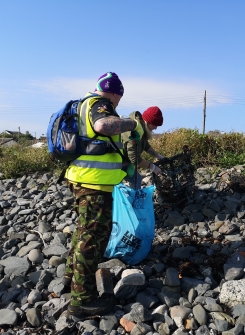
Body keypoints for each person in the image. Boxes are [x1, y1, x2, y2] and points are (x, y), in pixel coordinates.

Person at [62, 72, 144, 318]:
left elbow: (97, 144)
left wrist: (123, 167)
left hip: (81, 179)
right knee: (93, 238)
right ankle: (82, 301)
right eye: (119, 98)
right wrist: (132, 124)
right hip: (93, 184)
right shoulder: (100, 104)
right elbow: (102, 126)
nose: (117, 104)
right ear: (116, 92)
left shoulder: (82, 105)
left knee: (83, 230)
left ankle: (71, 277)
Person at [122, 106, 165, 189]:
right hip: (117, 163)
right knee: (132, 181)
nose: (156, 128)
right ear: (148, 122)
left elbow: (145, 145)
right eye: (155, 125)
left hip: (125, 162)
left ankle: (131, 200)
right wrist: (152, 167)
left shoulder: (142, 129)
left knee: (136, 180)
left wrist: (157, 156)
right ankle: (129, 201)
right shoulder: (134, 131)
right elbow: (134, 159)